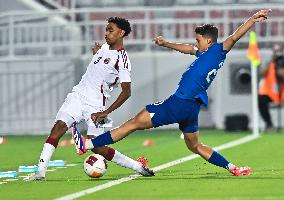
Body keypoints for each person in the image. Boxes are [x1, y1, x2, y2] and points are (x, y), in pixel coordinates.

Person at [73, 9, 271, 177]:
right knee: (195, 146)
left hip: (180, 103)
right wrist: (166, 43)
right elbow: (188, 49)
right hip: (191, 108)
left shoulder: (219, 50)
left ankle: (88, 144)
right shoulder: (207, 53)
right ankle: (233, 168)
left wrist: (253, 19)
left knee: (132, 123)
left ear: (209, 41)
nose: (196, 43)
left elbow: (235, 36)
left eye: (199, 40)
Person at [25, 17, 153, 181]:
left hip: (96, 104)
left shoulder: (122, 60)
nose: (106, 33)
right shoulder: (104, 48)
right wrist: (97, 53)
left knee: (97, 147)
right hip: (77, 96)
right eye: (106, 29)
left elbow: (126, 92)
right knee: (58, 128)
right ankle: (40, 172)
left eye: (110, 30)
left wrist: (106, 111)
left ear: (121, 33)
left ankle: (137, 166)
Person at [258, 44, 284, 131]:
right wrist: (270, 62)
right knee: (261, 100)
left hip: (282, 92)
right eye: (276, 52)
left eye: (279, 51)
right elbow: (262, 74)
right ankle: (269, 124)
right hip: (271, 93)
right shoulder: (270, 63)